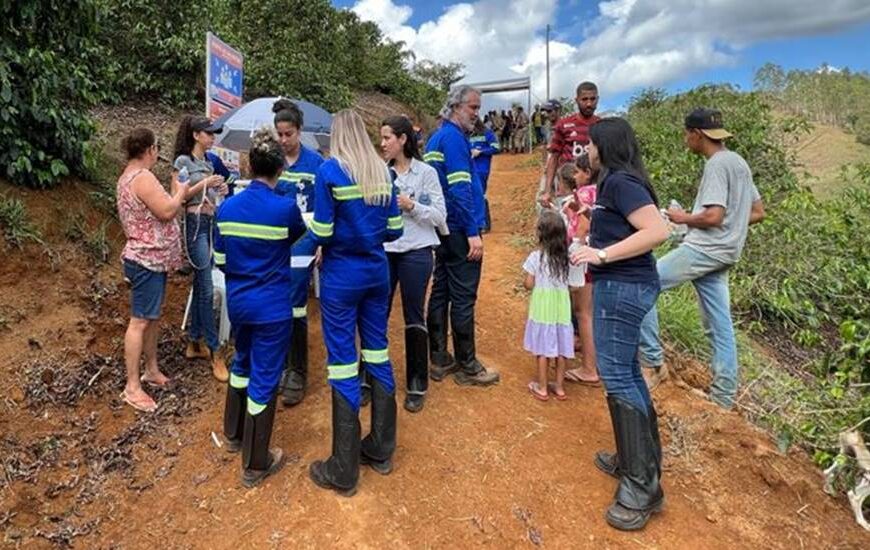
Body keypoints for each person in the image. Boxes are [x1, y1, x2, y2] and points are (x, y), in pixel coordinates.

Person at [571, 118, 670, 531]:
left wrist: (603, 255)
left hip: (623, 288)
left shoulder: (619, 183)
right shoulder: (618, 181)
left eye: (590, 145)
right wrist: (591, 244)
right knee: (626, 373)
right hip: (627, 286)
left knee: (618, 376)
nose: (585, 152)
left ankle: (641, 485)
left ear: (604, 146)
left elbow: (657, 230)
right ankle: (637, 461)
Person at [638, 109, 765, 406]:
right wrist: (729, 226)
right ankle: (723, 397)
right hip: (726, 253)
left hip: (704, 250)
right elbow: (758, 212)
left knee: (643, 282)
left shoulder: (717, 165)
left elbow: (713, 215)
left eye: (686, 134)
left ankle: (653, 362)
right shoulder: (739, 163)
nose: (686, 139)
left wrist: (683, 218)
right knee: (719, 324)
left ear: (697, 134)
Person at [308, 109, 404, 496]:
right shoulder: (383, 173)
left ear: (336, 135)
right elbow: (395, 230)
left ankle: (343, 468)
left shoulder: (328, 173)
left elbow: (324, 231)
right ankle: (380, 448)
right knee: (378, 352)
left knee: (344, 361)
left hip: (341, 278)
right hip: (377, 272)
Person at [215, 127, 306, 488]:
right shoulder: (285, 208)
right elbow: (297, 235)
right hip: (272, 307)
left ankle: (233, 432)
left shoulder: (227, 208)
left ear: (250, 166)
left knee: (242, 362)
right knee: (266, 379)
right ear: (280, 169)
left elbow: (221, 259)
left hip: (240, 303)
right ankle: (256, 462)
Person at [423, 85, 499, 386]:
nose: (476, 115)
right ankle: (468, 366)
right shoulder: (454, 139)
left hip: (442, 227)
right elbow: (459, 189)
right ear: (456, 107)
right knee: (464, 295)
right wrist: (472, 231)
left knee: (441, 289)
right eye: (473, 108)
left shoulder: (436, 137)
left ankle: (439, 358)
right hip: (458, 227)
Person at [116, 128, 186, 412]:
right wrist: (180, 190)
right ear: (149, 150)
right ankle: (132, 386)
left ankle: (151, 369)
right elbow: (167, 210)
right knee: (140, 321)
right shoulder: (142, 177)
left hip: (150, 259)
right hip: (145, 258)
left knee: (151, 317)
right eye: (157, 148)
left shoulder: (126, 176)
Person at [380, 115, 447, 413]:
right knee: (376, 314)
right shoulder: (380, 174)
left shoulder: (427, 173)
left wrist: (411, 206)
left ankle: (417, 383)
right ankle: (370, 380)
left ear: (403, 139)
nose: (382, 144)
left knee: (413, 314)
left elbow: (440, 217)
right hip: (385, 250)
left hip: (417, 251)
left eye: (386, 138)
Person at [271, 99, 325, 407]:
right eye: (279, 134)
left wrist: (322, 243)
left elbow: (326, 209)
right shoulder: (272, 161)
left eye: (288, 134)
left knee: (296, 305)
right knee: (276, 305)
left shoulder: (316, 163)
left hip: (304, 243)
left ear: (299, 132)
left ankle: (297, 371)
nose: (283, 140)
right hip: (275, 244)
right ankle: (278, 366)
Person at [171, 115, 229, 382]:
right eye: (208, 133)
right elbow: (178, 197)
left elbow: (213, 198)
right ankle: (216, 350)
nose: (212, 137)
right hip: (194, 225)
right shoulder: (183, 163)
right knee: (205, 285)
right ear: (196, 135)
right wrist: (206, 183)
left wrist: (221, 189)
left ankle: (194, 341)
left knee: (202, 283)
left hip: (208, 222)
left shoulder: (207, 163)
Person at [523, 211, 576, 401]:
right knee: (562, 347)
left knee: (542, 348)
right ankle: (560, 387)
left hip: (542, 307)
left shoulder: (537, 257)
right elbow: (572, 284)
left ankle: (542, 387)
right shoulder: (566, 259)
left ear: (540, 234)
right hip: (562, 307)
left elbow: (528, 283)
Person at [563, 153, 599, 385]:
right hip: (594, 256)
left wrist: (574, 246)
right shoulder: (599, 191)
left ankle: (589, 368)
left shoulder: (585, 193)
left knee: (583, 313)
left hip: (582, 256)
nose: (574, 176)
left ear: (587, 173)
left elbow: (582, 227)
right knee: (587, 312)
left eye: (577, 171)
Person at [542, 83, 600, 207]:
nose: (589, 103)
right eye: (584, 99)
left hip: (594, 188)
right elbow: (554, 158)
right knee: (568, 222)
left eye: (592, 99)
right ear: (577, 100)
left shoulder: (602, 125)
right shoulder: (564, 125)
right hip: (568, 188)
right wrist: (547, 191)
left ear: (597, 99)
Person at [469, 118, 500, 233]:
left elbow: (496, 148)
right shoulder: (467, 134)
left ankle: (485, 223)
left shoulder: (487, 133)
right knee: (472, 195)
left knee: (480, 194)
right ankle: (476, 222)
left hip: (482, 169)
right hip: (470, 169)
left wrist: (481, 151)